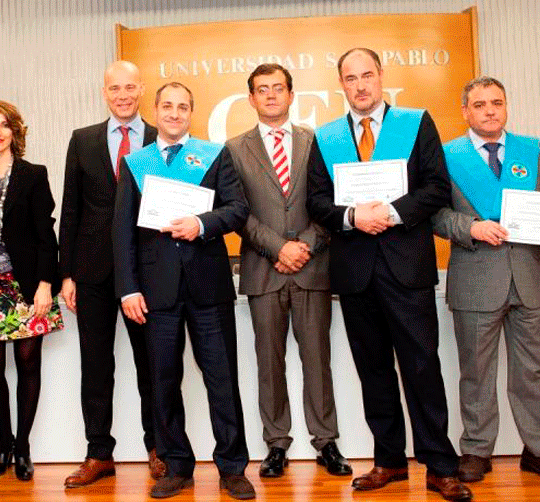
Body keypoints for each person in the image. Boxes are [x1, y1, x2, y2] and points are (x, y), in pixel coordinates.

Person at [307, 48, 472, 501]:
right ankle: (389, 461)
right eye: (350, 78)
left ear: (381, 77)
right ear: (341, 84)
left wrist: (392, 213)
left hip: (407, 267)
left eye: (367, 76)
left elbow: (436, 188)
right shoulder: (327, 138)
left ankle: (439, 465)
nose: (360, 86)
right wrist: (353, 217)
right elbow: (317, 203)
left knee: (421, 366)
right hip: (355, 270)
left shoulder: (416, 123)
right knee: (373, 369)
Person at [113, 82, 254, 500]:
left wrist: (202, 223)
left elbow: (237, 209)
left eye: (183, 107)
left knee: (222, 379)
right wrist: (128, 289)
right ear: (155, 110)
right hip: (155, 291)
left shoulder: (214, 155)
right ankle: (176, 465)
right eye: (168, 106)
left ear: (192, 112)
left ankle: (232, 467)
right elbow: (122, 232)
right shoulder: (135, 163)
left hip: (208, 285)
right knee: (162, 380)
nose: (175, 113)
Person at [226, 63, 350, 479]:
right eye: (263, 90)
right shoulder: (233, 148)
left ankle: (326, 442)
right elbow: (237, 211)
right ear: (252, 99)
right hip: (263, 269)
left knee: (318, 360)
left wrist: (305, 248)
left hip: (313, 268)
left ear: (291, 95)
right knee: (269, 362)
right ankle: (276, 444)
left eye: (278, 88)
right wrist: (279, 248)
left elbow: (332, 201)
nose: (271, 95)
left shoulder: (317, 143)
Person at [59, 60, 163, 487]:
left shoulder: (161, 140)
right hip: (93, 273)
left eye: (129, 87)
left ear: (140, 90)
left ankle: (159, 448)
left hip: (146, 272)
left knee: (152, 364)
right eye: (114, 88)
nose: (122, 95)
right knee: (96, 366)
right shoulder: (82, 141)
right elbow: (70, 210)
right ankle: (99, 453)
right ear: (104, 93)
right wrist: (68, 275)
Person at [433, 76, 540, 481]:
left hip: (529, 276)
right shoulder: (446, 156)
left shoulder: (534, 151)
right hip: (475, 277)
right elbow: (435, 215)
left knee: (533, 371)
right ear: (465, 111)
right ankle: (477, 451)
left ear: (507, 106)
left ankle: (536, 448)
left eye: (497, 102)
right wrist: (470, 227)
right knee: (476, 372)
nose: (490, 110)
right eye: (480, 104)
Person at [0, 100, 62, 482]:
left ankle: (22, 446)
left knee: (28, 365)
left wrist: (46, 285)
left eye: (4, 125)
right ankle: (3, 442)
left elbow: (46, 235)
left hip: (25, 286)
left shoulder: (33, 174)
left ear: (15, 132)